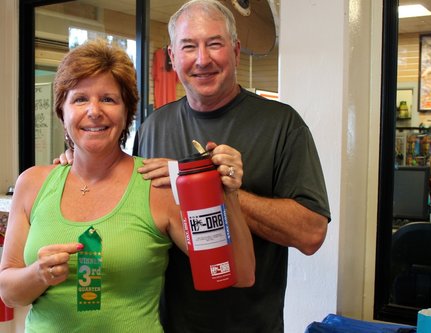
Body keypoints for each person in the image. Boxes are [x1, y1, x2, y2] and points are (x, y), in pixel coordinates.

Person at [0, 39, 254, 333]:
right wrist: (38, 274)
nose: (94, 111)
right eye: (80, 99)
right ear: (62, 112)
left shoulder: (156, 186)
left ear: (126, 114)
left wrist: (230, 195)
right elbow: (8, 292)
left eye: (108, 99)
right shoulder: (32, 183)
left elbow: (239, 273)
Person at [134, 1, 331, 332]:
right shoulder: (154, 126)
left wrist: (222, 192)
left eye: (214, 44)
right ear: (172, 57)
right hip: (167, 324)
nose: (202, 59)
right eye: (189, 47)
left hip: (251, 325)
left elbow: (311, 233)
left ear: (236, 51)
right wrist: (73, 161)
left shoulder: (282, 125)